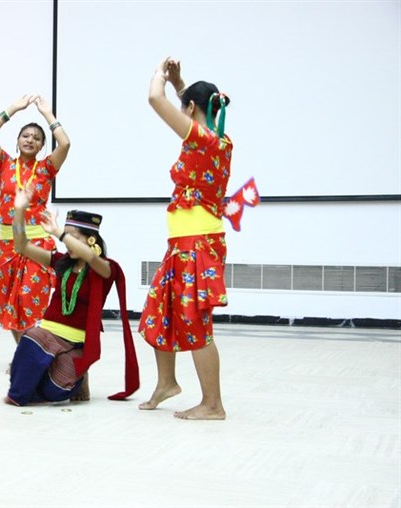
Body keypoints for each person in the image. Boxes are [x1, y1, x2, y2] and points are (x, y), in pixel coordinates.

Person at [138, 57, 232, 420]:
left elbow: (153, 99)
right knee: (161, 310)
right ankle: (167, 382)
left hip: (197, 244)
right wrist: (182, 84)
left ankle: (213, 404)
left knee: (196, 322)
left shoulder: (203, 138)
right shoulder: (217, 140)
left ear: (191, 109)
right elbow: (191, 107)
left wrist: (159, 75)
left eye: (185, 106)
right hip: (183, 243)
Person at [5, 186, 139, 406]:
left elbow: (89, 256)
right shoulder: (61, 262)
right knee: (30, 339)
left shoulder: (105, 269)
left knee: (56, 391)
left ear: (91, 241)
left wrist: (59, 233)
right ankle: (32, 383)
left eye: (73, 238)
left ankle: (80, 373)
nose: (66, 243)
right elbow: (21, 246)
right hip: (48, 334)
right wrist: (19, 209)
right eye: (66, 238)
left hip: (78, 342)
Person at [0, 95, 71, 352]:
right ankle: (25, 354)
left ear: (42, 145)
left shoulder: (46, 168)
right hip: (8, 242)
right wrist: (13, 109)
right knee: (11, 302)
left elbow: (65, 143)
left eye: (36, 137)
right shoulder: (4, 164)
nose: (30, 139)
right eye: (26, 135)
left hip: (37, 243)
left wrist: (48, 115)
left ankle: (34, 353)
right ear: (18, 140)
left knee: (32, 298)